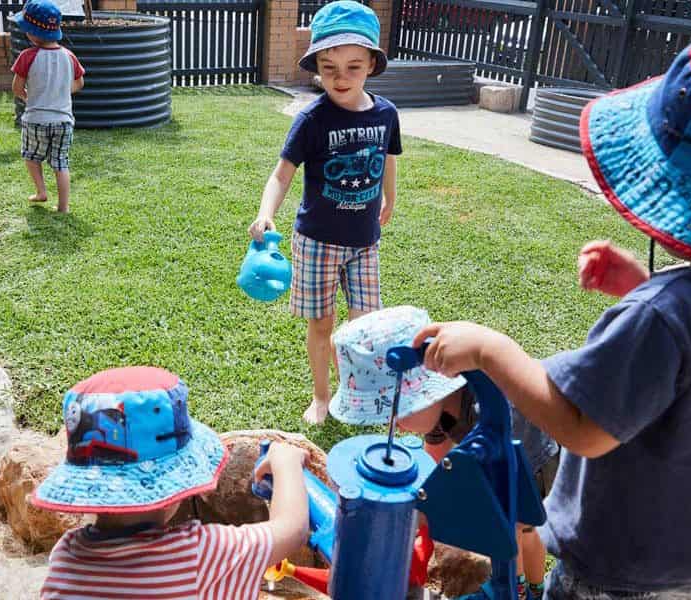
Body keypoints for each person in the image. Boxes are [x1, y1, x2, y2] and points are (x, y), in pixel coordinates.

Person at [412, 28, 691, 599]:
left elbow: (585, 430)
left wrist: (488, 348)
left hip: (620, 559)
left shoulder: (664, 317)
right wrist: (646, 284)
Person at [330, 305, 558, 600]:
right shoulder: (438, 407)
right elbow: (434, 461)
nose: (395, 425)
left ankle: (525, 591)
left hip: (531, 462)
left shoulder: (486, 413)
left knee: (518, 530)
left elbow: (494, 512)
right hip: (504, 464)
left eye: (397, 413)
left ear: (424, 392)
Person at [247, 0, 401, 424]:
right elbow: (281, 174)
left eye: (353, 66)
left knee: (363, 326)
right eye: (329, 66)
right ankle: (321, 396)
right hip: (316, 241)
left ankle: (358, 392)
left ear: (372, 63)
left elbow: (388, 156)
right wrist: (265, 213)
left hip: (365, 241)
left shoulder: (387, 113)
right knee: (322, 324)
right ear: (316, 65)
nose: (341, 77)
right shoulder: (312, 118)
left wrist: (390, 197)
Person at [32, 366, 311, 599]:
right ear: (176, 490)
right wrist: (285, 461)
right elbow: (292, 529)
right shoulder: (197, 555)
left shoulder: (65, 559)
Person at [10, 0, 85, 213]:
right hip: (63, 121)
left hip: (36, 120)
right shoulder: (69, 56)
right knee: (61, 163)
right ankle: (63, 207)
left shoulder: (28, 56)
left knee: (31, 156)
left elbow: (17, 87)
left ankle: (41, 191)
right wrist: (60, 91)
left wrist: (28, 98)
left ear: (32, 33)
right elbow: (79, 83)